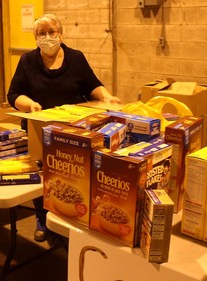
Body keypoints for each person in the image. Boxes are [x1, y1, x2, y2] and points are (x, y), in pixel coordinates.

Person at [7, 14, 121, 242]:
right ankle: (42, 217)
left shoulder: (75, 58)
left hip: (73, 130)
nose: (48, 37)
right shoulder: (27, 61)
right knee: (43, 174)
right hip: (40, 129)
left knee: (72, 176)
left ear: (61, 33)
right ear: (35, 37)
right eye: (42, 33)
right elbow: (13, 95)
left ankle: (71, 217)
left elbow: (92, 86)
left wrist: (107, 97)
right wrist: (28, 104)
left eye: (52, 32)